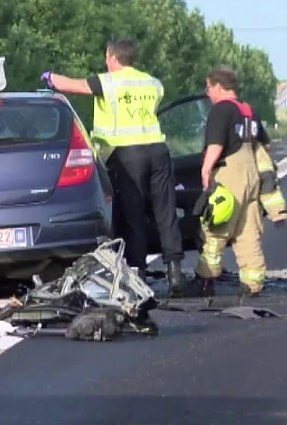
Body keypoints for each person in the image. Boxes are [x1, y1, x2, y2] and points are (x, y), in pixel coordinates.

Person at [40, 38, 184, 298]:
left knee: (134, 215)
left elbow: (74, 85)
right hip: (158, 151)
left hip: (129, 155)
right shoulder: (152, 82)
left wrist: (50, 78)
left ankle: (138, 273)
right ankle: (175, 272)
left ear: (112, 57)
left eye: (107, 57)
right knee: (166, 212)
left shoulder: (107, 81)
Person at [185, 65, 267, 298]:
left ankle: (204, 281)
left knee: (216, 227)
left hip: (229, 174)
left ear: (219, 86)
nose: (208, 92)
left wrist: (206, 169)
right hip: (252, 174)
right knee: (247, 231)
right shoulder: (249, 110)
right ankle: (253, 284)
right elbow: (264, 145)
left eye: (209, 87)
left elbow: (216, 144)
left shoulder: (221, 110)